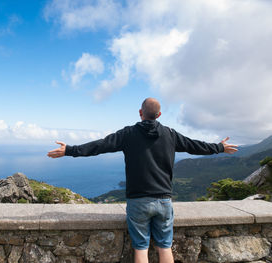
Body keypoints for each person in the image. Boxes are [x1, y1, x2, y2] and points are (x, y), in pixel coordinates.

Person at [47, 98, 238, 263]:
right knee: (164, 248)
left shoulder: (128, 134)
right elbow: (195, 146)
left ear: (140, 112)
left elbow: (100, 145)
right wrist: (219, 147)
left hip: (138, 201)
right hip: (164, 200)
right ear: (159, 114)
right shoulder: (170, 134)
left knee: (141, 248)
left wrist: (69, 150)